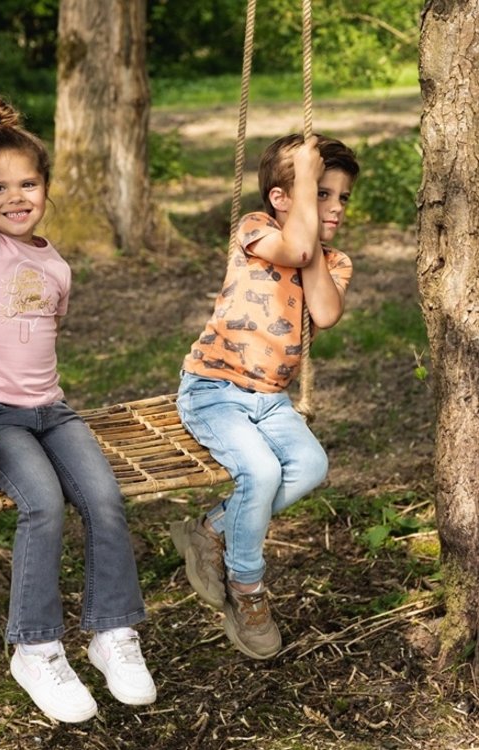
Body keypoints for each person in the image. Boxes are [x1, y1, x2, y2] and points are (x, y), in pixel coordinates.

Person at [0, 42, 156, 723]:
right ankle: (34, 646)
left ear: (47, 188)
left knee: (107, 500)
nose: (13, 197)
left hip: (51, 410)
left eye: (26, 183)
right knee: (44, 505)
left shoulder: (57, 266)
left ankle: (113, 631)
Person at [170, 133, 359, 660]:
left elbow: (324, 312)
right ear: (282, 197)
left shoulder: (335, 262)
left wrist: (316, 238)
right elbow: (294, 248)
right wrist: (303, 188)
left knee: (311, 465)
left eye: (343, 197)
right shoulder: (256, 229)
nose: (337, 207)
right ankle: (247, 589)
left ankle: (210, 530)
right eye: (321, 193)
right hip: (213, 389)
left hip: (270, 400)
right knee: (263, 472)